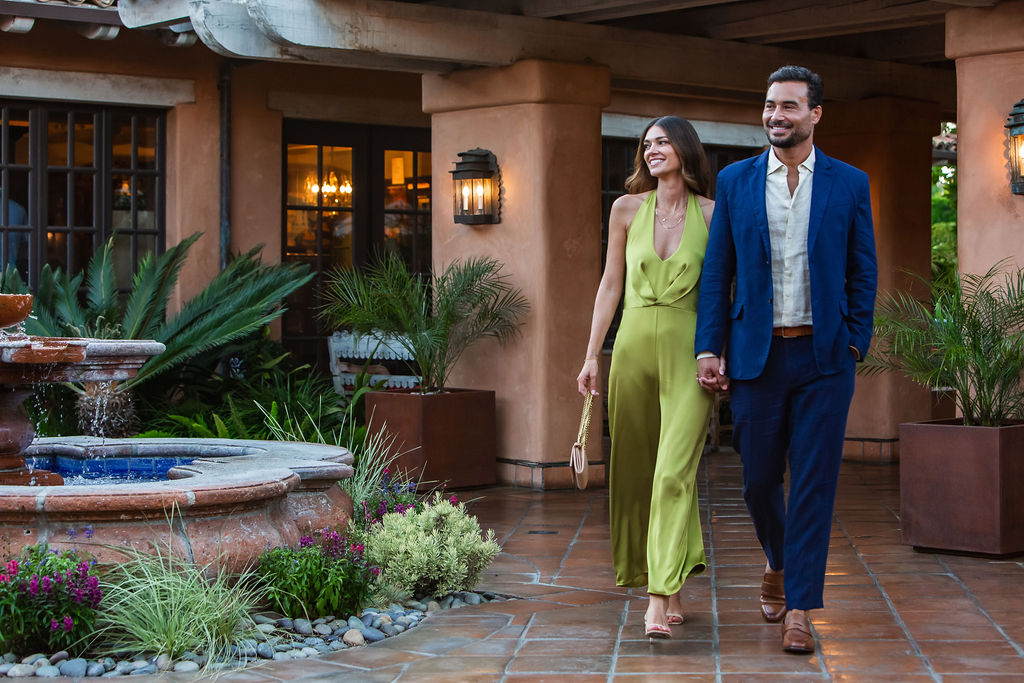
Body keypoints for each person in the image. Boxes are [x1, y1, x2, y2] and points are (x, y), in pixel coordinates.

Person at [694, 65, 877, 654]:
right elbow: (718, 269)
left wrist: (855, 342)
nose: (776, 116)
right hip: (757, 359)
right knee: (755, 481)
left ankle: (799, 606)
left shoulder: (850, 184)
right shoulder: (737, 181)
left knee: (815, 485)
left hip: (826, 359)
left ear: (815, 114)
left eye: (789, 107)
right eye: (770, 105)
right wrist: (708, 346)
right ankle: (778, 558)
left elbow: (862, 270)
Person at [577, 116, 715, 641]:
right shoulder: (626, 209)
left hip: (689, 355)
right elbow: (610, 284)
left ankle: (656, 600)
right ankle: (671, 580)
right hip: (631, 349)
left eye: (663, 142)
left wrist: (718, 353)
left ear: (685, 149)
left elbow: (722, 293)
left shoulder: (712, 214)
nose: (653, 150)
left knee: (673, 472)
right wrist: (593, 355)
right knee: (637, 473)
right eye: (647, 144)